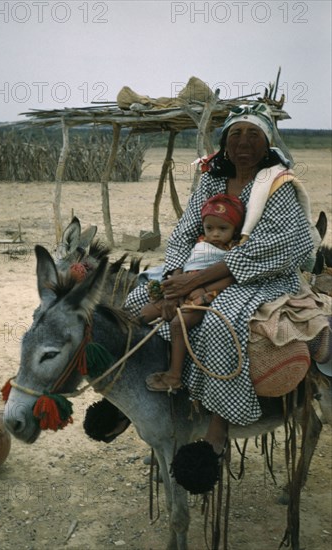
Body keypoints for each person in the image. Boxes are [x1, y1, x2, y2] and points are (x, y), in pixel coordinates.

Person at [125, 104, 315, 493]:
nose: (243, 143)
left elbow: (268, 249)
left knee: (218, 323)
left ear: (267, 145)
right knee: (137, 299)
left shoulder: (279, 185)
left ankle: (217, 425)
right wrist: (177, 275)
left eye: (253, 135)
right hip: (199, 265)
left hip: (261, 278)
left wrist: (196, 280)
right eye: (235, 135)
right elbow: (183, 232)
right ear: (225, 144)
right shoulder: (211, 182)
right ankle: (167, 407)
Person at [141, 193, 245, 392]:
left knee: (178, 325)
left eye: (223, 229)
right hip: (182, 290)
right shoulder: (198, 243)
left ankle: (174, 376)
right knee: (144, 312)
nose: (215, 234)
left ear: (235, 229)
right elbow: (186, 265)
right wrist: (175, 291)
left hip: (206, 297)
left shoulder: (234, 252)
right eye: (210, 228)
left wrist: (201, 290)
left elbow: (231, 277)